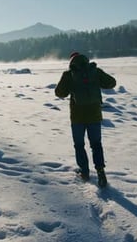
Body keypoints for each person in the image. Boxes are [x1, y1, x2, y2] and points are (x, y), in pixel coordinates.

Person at [55, 52, 116, 187]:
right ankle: (100, 171)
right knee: (96, 144)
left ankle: (84, 171)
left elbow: (59, 93)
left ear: (71, 62)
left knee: (79, 145)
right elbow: (112, 83)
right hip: (94, 115)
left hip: (77, 117)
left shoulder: (69, 75)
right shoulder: (95, 71)